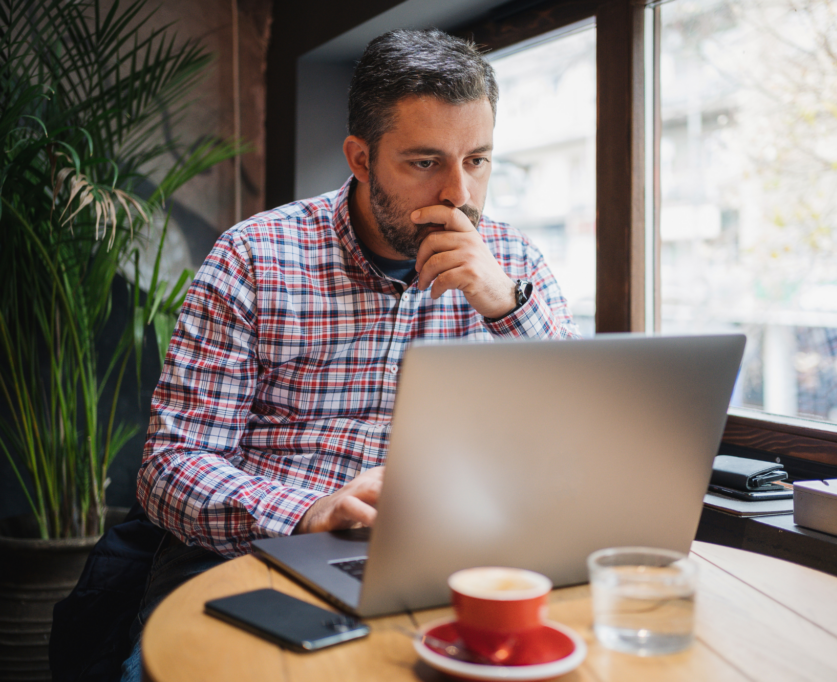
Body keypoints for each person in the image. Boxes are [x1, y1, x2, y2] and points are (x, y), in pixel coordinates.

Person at [113, 28, 578, 682]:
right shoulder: (253, 258)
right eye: (424, 162)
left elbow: (578, 440)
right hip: (263, 552)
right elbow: (169, 468)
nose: (459, 195)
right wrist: (305, 513)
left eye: (477, 160)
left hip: (456, 558)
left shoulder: (516, 266)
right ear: (360, 158)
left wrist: (505, 305)